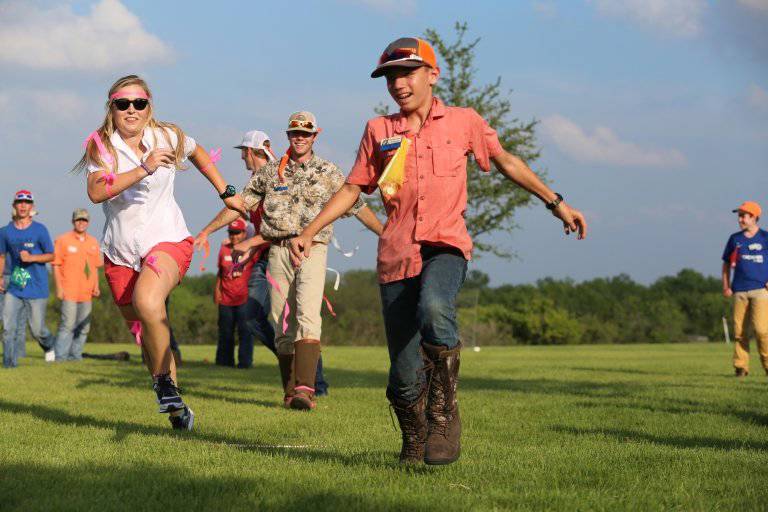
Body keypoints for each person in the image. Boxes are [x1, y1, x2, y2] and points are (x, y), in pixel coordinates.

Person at [290, 37, 588, 464]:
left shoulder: (464, 121)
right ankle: (414, 437)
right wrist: (310, 229)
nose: (398, 84)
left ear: (433, 74)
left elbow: (505, 161)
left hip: (445, 243)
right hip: (396, 252)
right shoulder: (379, 130)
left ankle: (445, 413)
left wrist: (557, 204)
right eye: (391, 77)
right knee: (403, 375)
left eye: (407, 73)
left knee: (434, 308)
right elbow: (355, 188)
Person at [75, 74, 245, 430]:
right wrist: (143, 168)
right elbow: (95, 192)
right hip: (120, 252)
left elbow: (198, 153)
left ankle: (164, 382)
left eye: (139, 103)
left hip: (167, 240)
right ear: (112, 108)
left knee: (149, 302)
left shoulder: (168, 136)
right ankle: (175, 404)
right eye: (123, 104)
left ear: (149, 105)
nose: (132, 110)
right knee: (143, 331)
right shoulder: (101, 146)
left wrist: (225, 190)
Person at [241, 111, 383, 410]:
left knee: (308, 314)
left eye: (305, 134)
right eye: (294, 133)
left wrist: (385, 232)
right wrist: (206, 229)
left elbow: (356, 205)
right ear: (288, 135)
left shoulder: (329, 171)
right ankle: (291, 390)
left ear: (315, 136)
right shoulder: (270, 173)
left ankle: (306, 389)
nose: (300, 138)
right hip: (278, 250)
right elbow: (241, 204)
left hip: (313, 249)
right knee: (281, 324)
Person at [194, 130, 330, 393]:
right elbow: (236, 206)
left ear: (250, 152)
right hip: (263, 259)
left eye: (243, 151)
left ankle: (313, 381)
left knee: (302, 322)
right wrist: (208, 231)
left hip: (286, 256)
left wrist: (249, 243)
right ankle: (288, 358)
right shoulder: (256, 181)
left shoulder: (280, 178)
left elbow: (285, 229)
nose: (242, 157)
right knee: (252, 317)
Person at [0, 190, 56, 368]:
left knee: (37, 330)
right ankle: (9, 365)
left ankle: (49, 345)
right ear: (14, 206)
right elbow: (1, 257)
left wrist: (32, 258)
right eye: (19, 202)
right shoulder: (5, 231)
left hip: (37, 287)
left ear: (32, 207)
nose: (23, 205)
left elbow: (51, 256)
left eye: (26, 202)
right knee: (8, 327)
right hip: (15, 287)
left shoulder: (40, 230)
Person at [722, 201, 768, 377]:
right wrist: (726, 286)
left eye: (743, 216)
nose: (740, 219)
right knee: (740, 332)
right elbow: (726, 264)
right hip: (739, 290)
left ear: (754, 217)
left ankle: (767, 364)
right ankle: (741, 367)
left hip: (761, 291)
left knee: (762, 330)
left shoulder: (765, 238)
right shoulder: (735, 239)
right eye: (739, 216)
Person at [52, 208, 103, 361]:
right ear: (73, 221)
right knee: (67, 324)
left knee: (84, 327)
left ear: (88, 222)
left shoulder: (93, 242)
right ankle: (60, 357)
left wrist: (97, 286)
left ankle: (75, 355)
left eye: (84, 220)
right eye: (78, 220)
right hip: (68, 290)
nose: (81, 223)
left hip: (87, 292)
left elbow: (95, 267)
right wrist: (59, 288)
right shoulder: (62, 240)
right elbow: (55, 265)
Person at [214, 218, 258, 367]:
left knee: (245, 332)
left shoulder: (251, 249)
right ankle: (224, 362)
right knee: (225, 332)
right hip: (225, 299)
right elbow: (220, 273)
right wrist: (217, 292)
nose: (234, 236)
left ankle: (245, 363)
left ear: (244, 233)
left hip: (244, 299)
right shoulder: (224, 249)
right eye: (231, 233)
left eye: (237, 233)